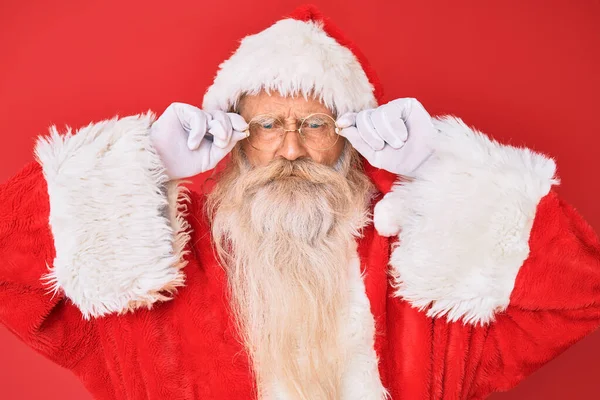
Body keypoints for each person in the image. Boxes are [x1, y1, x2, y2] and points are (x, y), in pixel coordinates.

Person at [1, 4, 599, 400]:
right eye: (265, 127)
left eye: (314, 122)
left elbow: (581, 293)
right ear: (231, 135)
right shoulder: (154, 263)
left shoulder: (417, 269)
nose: (290, 148)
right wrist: (136, 166)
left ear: (352, 134)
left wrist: (443, 165)